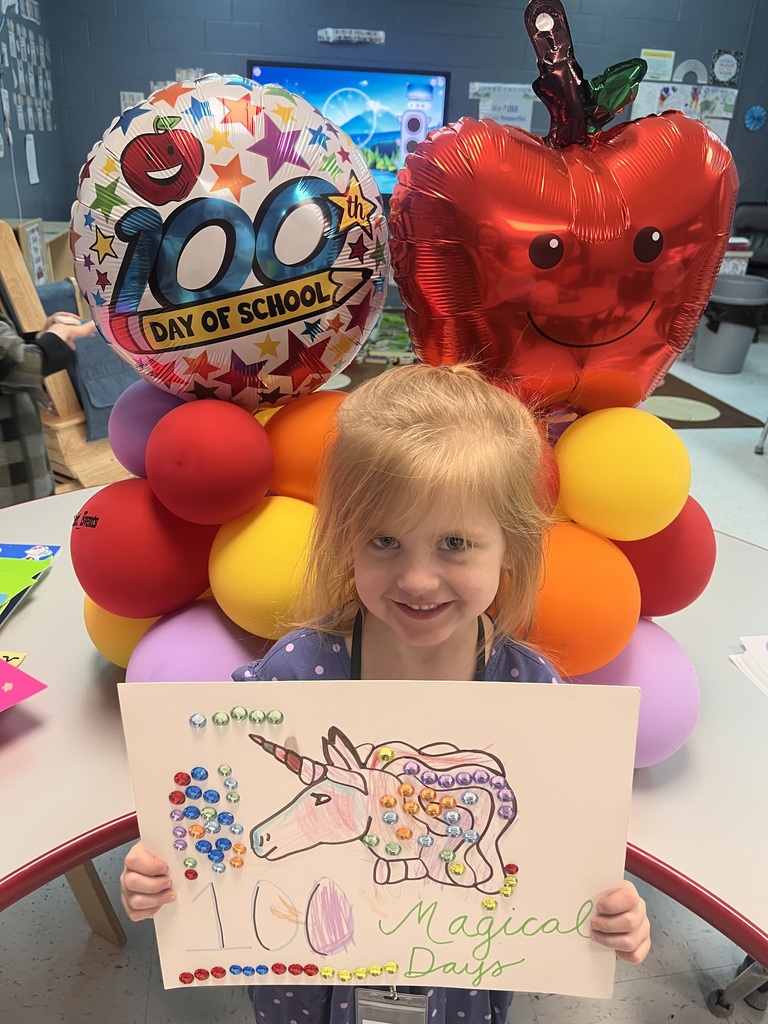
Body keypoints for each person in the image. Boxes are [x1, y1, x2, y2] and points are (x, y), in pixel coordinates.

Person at [121, 364, 651, 1023]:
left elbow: (558, 844)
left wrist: (609, 912)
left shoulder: (531, 690)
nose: (419, 579)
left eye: (455, 543)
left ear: (510, 547)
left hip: (456, 988)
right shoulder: (299, 668)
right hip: (305, 986)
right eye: (384, 541)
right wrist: (170, 865)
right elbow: (231, 793)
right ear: (347, 538)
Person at [0, 311, 96, 507]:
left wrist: (41, 340)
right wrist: (58, 333)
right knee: (25, 525)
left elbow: (7, 363)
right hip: (12, 484)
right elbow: (23, 365)